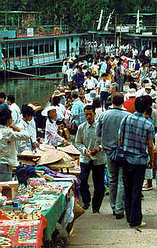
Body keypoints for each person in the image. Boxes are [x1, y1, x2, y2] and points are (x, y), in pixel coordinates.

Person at [118, 96, 154, 228]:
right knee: (136, 191)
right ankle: (135, 220)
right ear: (146, 108)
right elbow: (150, 146)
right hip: (140, 161)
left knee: (127, 189)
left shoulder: (126, 118)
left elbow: (120, 139)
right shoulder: (147, 124)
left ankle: (129, 216)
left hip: (126, 159)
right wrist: (152, 161)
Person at [97, 92, 130, 219]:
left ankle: (113, 207)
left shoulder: (104, 115)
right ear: (122, 102)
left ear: (111, 101)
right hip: (123, 151)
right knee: (122, 179)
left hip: (109, 151)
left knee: (112, 179)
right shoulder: (127, 116)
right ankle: (119, 208)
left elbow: (98, 133)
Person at [75, 105, 106, 213]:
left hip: (99, 158)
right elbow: (78, 143)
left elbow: (106, 141)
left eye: (90, 114)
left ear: (94, 114)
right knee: (82, 180)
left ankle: (96, 207)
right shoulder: (81, 127)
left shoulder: (100, 127)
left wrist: (99, 148)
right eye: (86, 115)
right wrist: (84, 150)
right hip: (85, 158)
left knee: (99, 185)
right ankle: (86, 201)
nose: (88, 117)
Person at [0, 109, 29, 181]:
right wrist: (18, 129)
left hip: (3, 161)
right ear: (8, 120)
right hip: (5, 163)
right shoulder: (8, 132)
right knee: (5, 187)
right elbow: (26, 136)